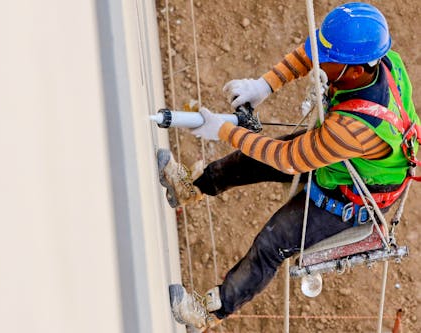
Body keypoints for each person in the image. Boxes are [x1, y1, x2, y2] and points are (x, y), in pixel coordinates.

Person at [158, 2, 420, 331]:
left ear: (355, 70)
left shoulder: (357, 128)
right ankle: (191, 189)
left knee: (272, 243)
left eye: (331, 59)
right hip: (343, 156)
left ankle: (211, 310)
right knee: (249, 160)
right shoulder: (381, 61)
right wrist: (264, 85)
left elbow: (289, 159)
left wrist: (224, 131)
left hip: (348, 196)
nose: (321, 62)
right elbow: (311, 51)